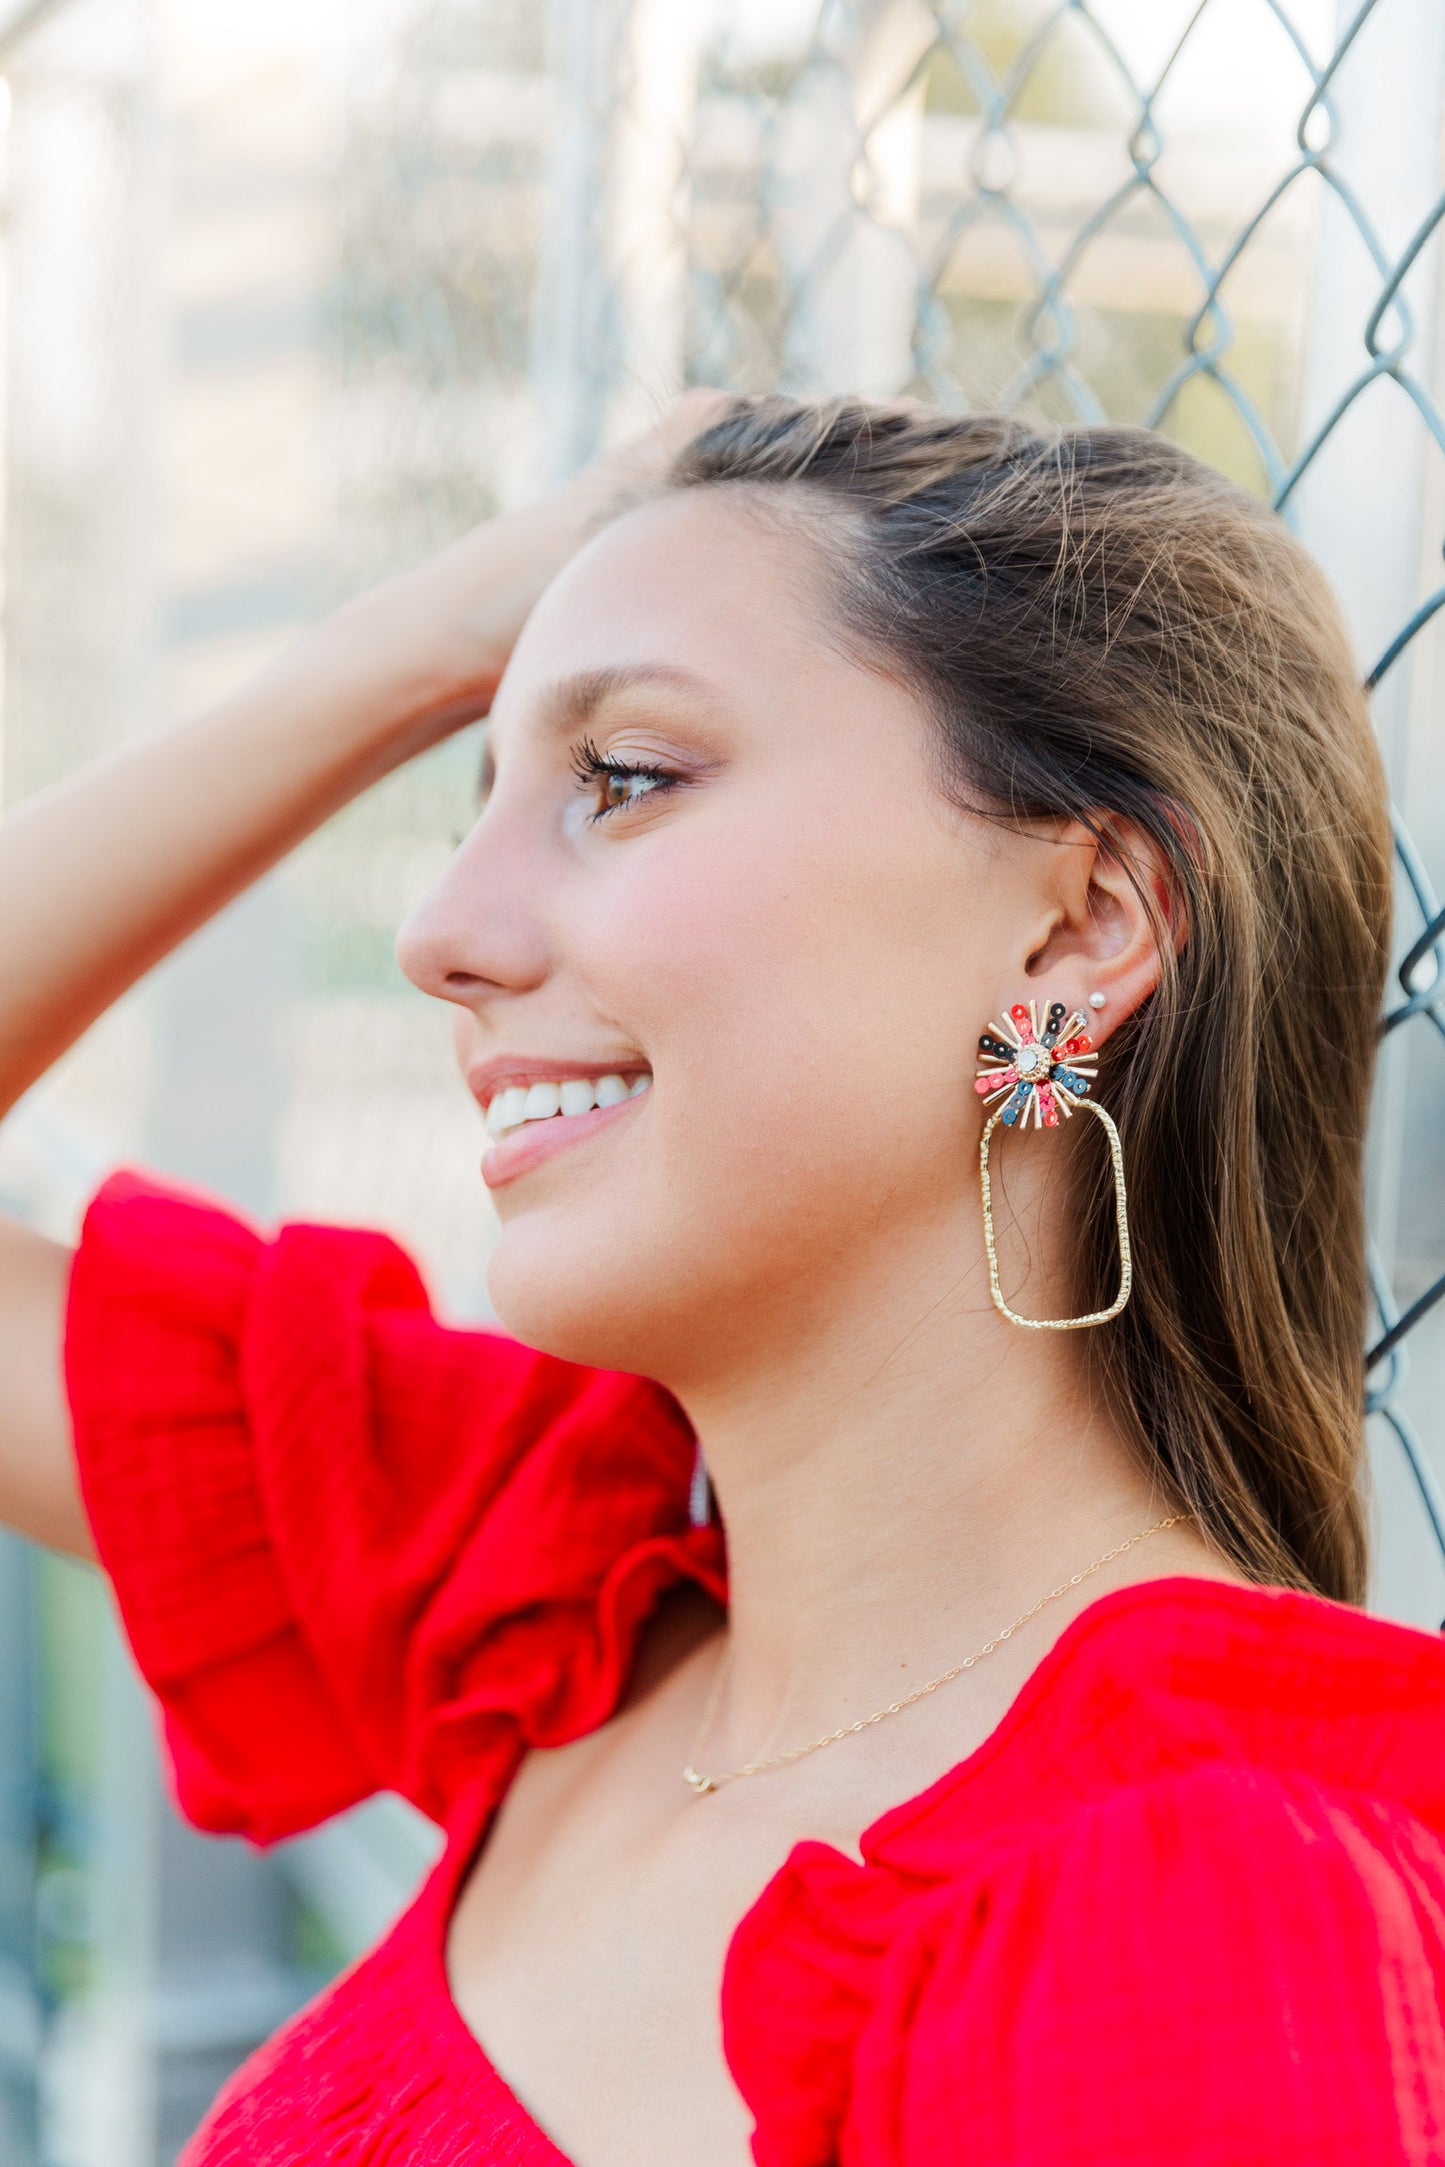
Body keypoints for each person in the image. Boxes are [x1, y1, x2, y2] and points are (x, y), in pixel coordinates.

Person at [0, 391, 1442, 2167]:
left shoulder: (1219, 1922)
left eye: (623, 781)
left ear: (1075, 927)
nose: (438, 937)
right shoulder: (555, 1597)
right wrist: (427, 639)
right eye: (479, 805)